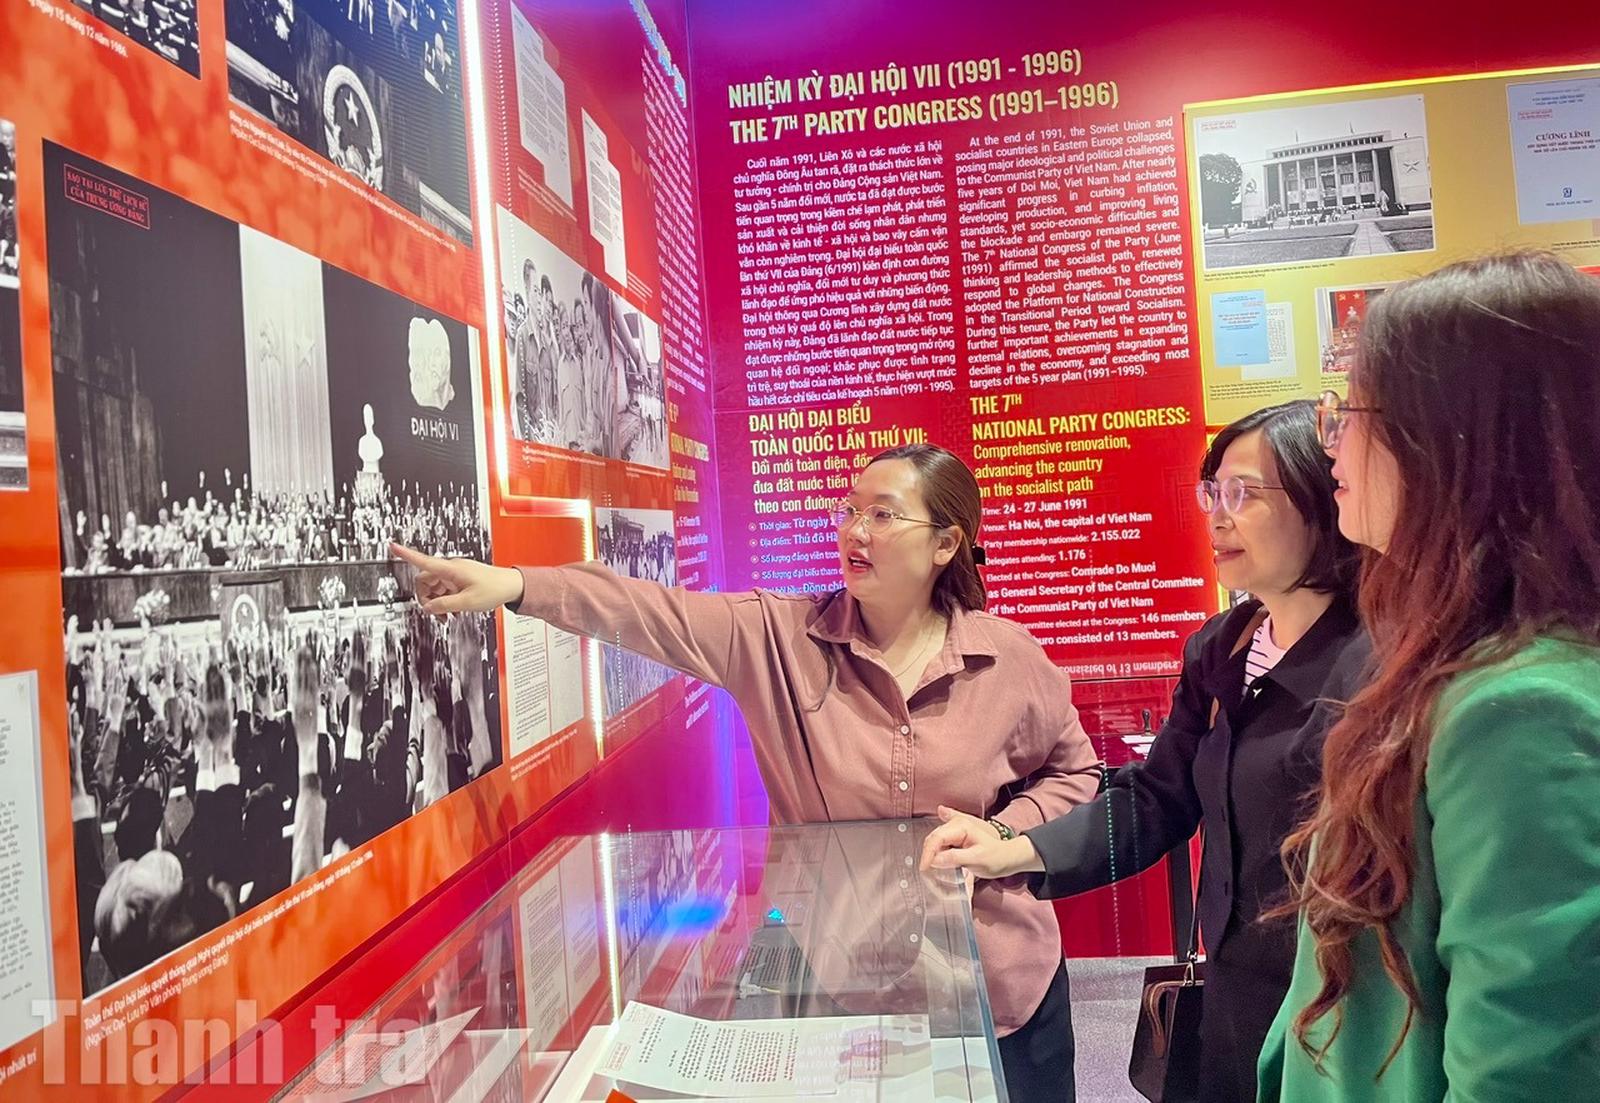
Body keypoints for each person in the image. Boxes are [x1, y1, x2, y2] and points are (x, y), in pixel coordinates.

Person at [392, 443, 1103, 1098]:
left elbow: (1077, 775)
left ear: (945, 543)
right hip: (843, 985)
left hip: (996, 984)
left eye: (883, 515)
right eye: (849, 510)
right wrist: (515, 585)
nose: (854, 531)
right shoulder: (779, 638)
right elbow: (650, 610)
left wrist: (1003, 834)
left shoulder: (1008, 659)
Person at [921, 400, 1366, 1102]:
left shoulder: (1383, 662)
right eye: (1213, 492)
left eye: (1245, 493)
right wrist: (1014, 846)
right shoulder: (1222, 647)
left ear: (1324, 500)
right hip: (1233, 999)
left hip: (1344, 1010)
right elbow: (1158, 797)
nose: (1218, 517)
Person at [1258, 252, 1600, 1100]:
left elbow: (1526, 1074)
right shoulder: (1475, 663)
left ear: (1456, 434)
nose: (1331, 441)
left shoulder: (1522, 709)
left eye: (1350, 409)